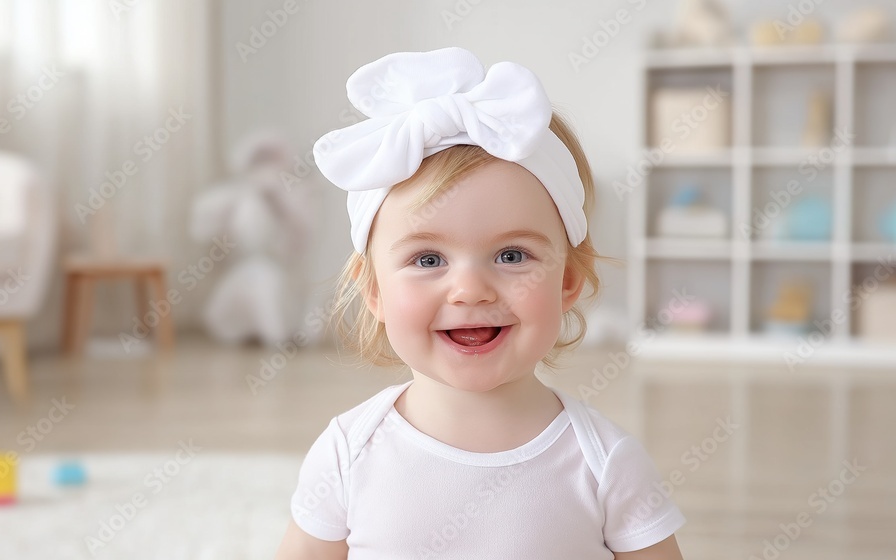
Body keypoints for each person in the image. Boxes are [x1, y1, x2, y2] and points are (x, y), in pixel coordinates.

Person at [274, 47, 685, 559]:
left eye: (512, 255)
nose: (470, 290)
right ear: (374, 289)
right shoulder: (346, 454)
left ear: (568, 281)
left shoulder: (605, 463)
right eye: (428, 259)